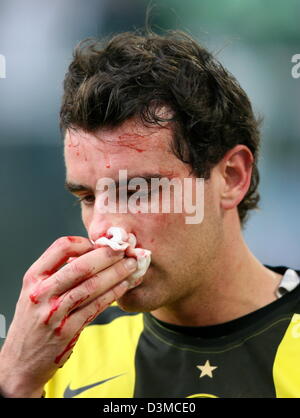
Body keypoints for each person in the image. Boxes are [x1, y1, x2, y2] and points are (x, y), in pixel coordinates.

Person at [0, 29, 299, 399]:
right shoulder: (52, 356)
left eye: (136, 191)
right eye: (88, 196)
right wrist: (14, 381)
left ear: (231, 177)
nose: (104, 229)